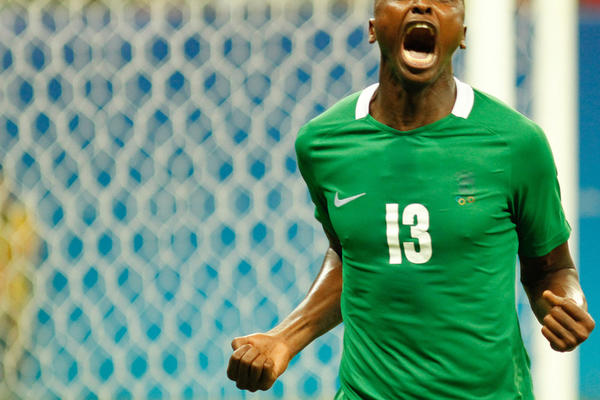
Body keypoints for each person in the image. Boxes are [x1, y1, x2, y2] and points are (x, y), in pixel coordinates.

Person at [227, 0, 596, 398]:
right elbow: (352, 255)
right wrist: (284, 339)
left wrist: (568, 304)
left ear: (462, 36)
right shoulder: (323, 143)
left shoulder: (516, 144)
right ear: (372, 28)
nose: (422, 4)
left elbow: (552, 269)